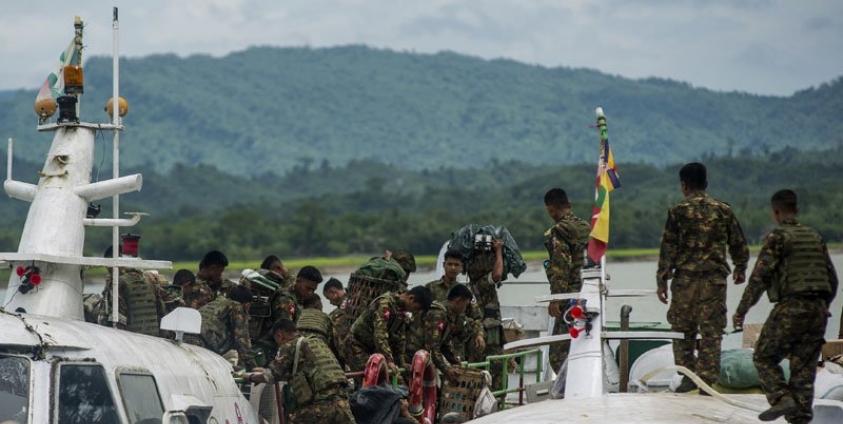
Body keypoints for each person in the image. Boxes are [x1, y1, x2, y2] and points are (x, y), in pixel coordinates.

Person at [732, 190, 838, 423]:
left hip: (792, 307)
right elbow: (832, 280)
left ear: (776, 212)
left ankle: (781, 397)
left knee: (763, 356)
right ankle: (800, 418)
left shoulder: (778, 237)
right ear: (796, 209)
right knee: (803, 372)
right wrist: (823, 306)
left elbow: (759, 279)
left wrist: (741, 311)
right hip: (819, 311)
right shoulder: (814, 236)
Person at [656, 162, 749, 392]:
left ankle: (688, 376)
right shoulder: (723, 210)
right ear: (706, 184)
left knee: (682, 329)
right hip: (714, 282)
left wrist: (662, 280)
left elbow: (668, 249)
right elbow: (738, 243)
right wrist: (740, 267)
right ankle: (707, 380)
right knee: (711, 330)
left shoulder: (678, 212)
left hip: (685, 281)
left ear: (684, 185)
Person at [246, 319, 355, 424]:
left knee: (294, 420)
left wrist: (248, 377)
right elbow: (305, 371)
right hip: (343, 404)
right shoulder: (316, 342)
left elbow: (270, 376)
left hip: (322, 406)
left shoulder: (289, 346)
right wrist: (265, 371)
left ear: (279, 335)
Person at [543, 188, 591, 372]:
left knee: (558, 354)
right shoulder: (585, 227)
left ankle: (569, 393)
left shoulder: (560, 231)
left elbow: (561, 267)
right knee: (583, 344)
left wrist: (556, 299)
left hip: (570, 298)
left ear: (551, 209)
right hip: (588, 294)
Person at [349, 286, 433, 377]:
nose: (414, 312)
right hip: (356, 344)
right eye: (416, 308)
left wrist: (401, 362)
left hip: (372, 347)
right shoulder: (385, 304)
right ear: (411, 298)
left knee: (392, 379)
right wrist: (389, 361)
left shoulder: (402, 311)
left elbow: (400, 339)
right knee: (369, 377)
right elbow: (380, 335)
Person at [425, 249, 485, 363]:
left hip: (456, 347)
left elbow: (477, 318)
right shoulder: (430, 288)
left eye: (456, 265)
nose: (453, 268)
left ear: (461, 267)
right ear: (444, 265)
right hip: (434, 342)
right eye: (450, 264)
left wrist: (479, 335)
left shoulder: (465, 292)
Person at [186, 285, 256, 371]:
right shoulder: (236, 306)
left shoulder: (215, 303)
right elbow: (242, 338)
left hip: (186, 339)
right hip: (204, 344)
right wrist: (252, 367)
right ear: (247, 305)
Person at [465, 237, 505, 388]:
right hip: (486, 336)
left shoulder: (469, 287)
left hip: (486, 334)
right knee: (494, 370)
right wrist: (499, 251)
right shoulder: (482, 283)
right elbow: (497, 275)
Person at [323, 278, 352, 368]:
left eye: (328, 298)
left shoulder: (349, 303)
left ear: (333, 292)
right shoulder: (348, 301)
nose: (330, 302)